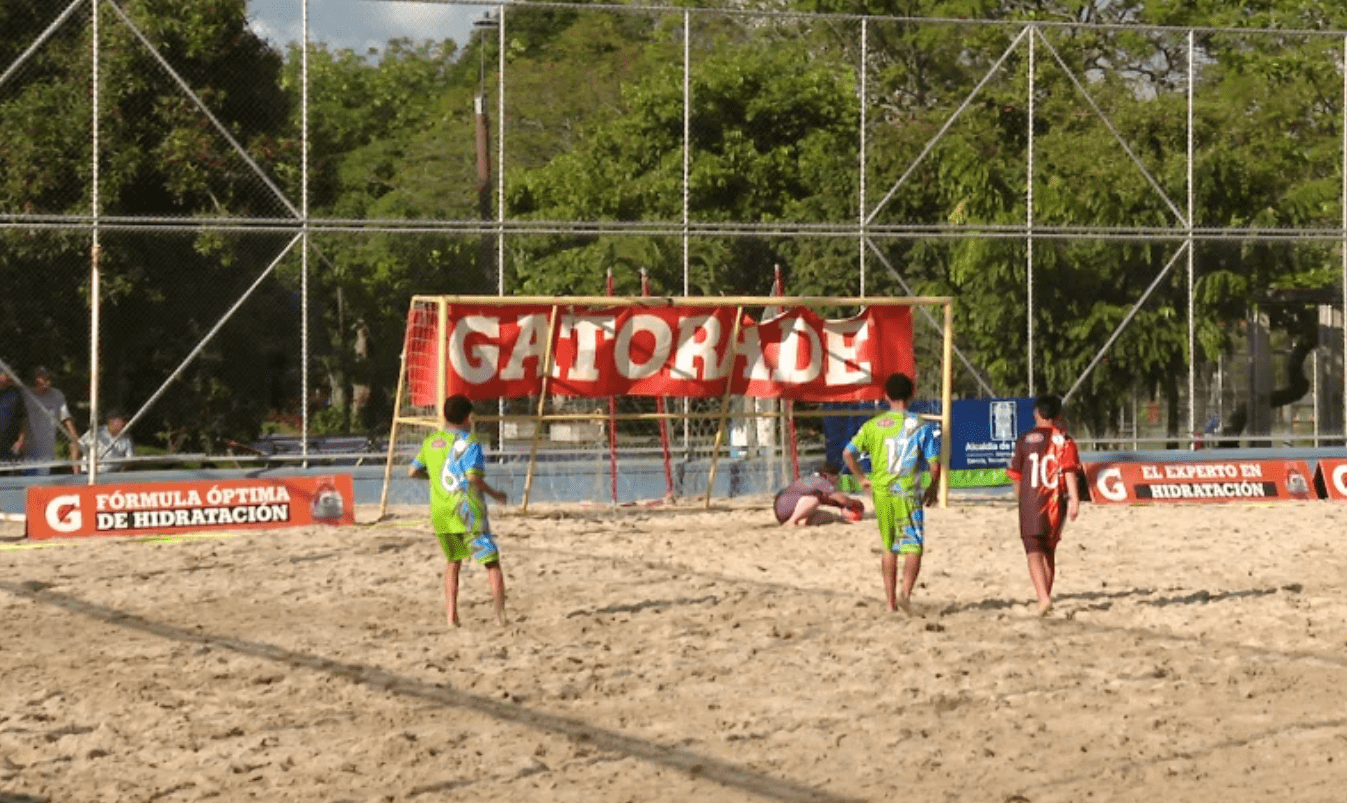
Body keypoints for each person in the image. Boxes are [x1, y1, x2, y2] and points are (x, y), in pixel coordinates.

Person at [843, 372, 942, 615]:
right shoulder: (921, 425)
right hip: (907, 491)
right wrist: (933, 487)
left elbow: (848, 453)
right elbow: (934, 464)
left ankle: (890, 604)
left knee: (889, 547)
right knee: (913, 546)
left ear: (885, 395)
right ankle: (905, 593)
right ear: (912, 395)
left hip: (882, 491)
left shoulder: (873, 426)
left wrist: (862, 478)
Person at [408, 394, 509, 627]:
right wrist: (496, 494)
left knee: (453, 562)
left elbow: (412, 471)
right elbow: (473, 478)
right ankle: (499, 616)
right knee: (491, 562)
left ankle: (451, 617)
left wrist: (432, 478)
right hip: (467, 510)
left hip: (441, 511)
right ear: (468, 417)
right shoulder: (470, 443)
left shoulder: (431, 442)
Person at [1005, 392, 1081, 617]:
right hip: (1056, 503)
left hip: (1031, 501)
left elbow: (1015, 474)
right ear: (1058, 415)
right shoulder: (1065, 439)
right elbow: (1069, 472)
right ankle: (1045, 595)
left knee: (1033, 552)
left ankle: (1043, 598)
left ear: (1037, 413)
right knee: (1049, 551)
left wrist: (1021, 499)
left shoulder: (1024, 439)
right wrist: (1075, 500)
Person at [23, 366, 82, 475]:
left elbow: (65, 416)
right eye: (42, 378)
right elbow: (21, 418)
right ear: (35, 379)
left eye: (48, 378)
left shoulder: (57, 395)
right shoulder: (26, 395)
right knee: (27, 477)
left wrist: (73, 434)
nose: (47, 381)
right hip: (28, 444)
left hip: (47, 444)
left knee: (42, 477)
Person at [773, 460, 864, 526]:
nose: (837, 480)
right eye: (837, 477)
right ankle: (791, 522)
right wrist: (854, 503)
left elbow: (834, 501)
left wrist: (843, 508)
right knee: (814, 500)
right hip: (784, 505)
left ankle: (799, 522)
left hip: (784, 508)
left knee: (827, 516)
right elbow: (842, 500)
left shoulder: (816, 482)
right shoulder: (820, 481)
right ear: (828, 475)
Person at [78, 408, 134, 474]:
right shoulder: (97, 432)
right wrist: (90, 457)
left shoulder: (126, 438)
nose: (126, 424)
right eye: (123, 421)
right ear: (112, 421)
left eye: (127, 421)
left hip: (114, 474)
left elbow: (130, 459)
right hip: (90, 473)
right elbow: (77, 446)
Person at [0, 368, 28, 466]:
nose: (10, 377)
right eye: (6, 374)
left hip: (10, 447)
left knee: (13, 478)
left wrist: (22, 439)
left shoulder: (15, 394)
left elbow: (22, 418)